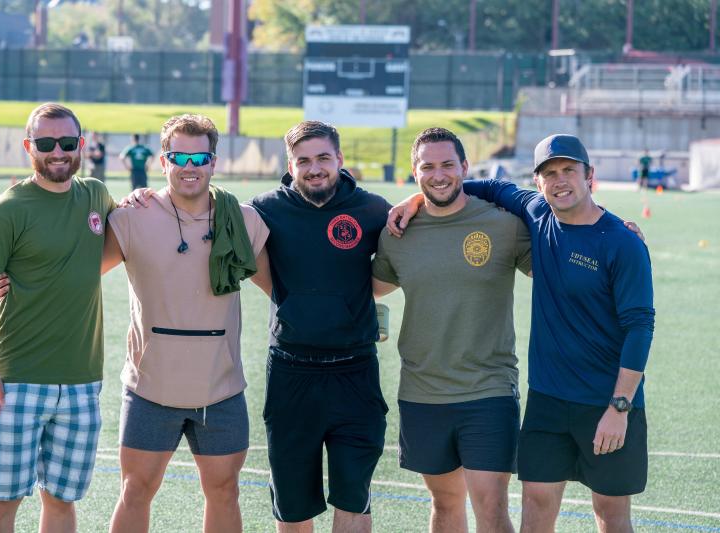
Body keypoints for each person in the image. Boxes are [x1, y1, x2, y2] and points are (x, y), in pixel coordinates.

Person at [390, 134, 655, 533]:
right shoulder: (535, 213)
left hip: (608, 401)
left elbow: (640, 327)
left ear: (590, 177)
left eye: (569, 171)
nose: (560, 180)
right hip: (548, 402)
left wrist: (619, 408)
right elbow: (485, 187)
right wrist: (416, 199)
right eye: (549, 173)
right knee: (535, 502)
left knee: (611, 515)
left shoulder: (623, 243)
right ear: (538, 181)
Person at [104, 114, 270, 533]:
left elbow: (284, 292)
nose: (190, 165)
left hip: (221, 389)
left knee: (224, 492)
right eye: (179, 155)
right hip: (149, 387)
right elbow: (75, 274)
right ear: (163, 161)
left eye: (200, 156)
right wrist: (14, 275)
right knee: (136, 489)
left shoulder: (244, 220)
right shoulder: (131, 217)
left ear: (215, 162)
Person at [371, 128, 531, 533]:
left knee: (491, 507)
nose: (438, 174)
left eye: (447, 165)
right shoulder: (398, 233)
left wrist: (617, 233)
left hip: (488, 389)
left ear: (465, 167)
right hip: (422, 391)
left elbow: (558, 257)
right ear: (414, 172)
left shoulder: (503, 226)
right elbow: (373, 287)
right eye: (428, 166)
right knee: (444, 504)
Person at [0, 103, 115, 532]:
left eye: (67, 143)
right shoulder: (4, 211)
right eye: (46, 144)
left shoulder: (96, 195)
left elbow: (117, 246)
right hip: (15, 383)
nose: (58, 152)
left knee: (63, 503)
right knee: (2, 502)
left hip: (83, 382)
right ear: (29, 146)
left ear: (80, 145)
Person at [249, 121, 390, 533]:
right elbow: (260, 271)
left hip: (355, 372)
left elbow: (397, 265)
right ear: (290, 165)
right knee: (292, 504)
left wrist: (350, 305)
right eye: (304, 161)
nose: (315, 169)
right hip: (292, 372)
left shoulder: (372, 208)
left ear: (340, 160)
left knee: (353, 496)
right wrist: (291, 303)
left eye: (323, 158)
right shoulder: (266, 208)